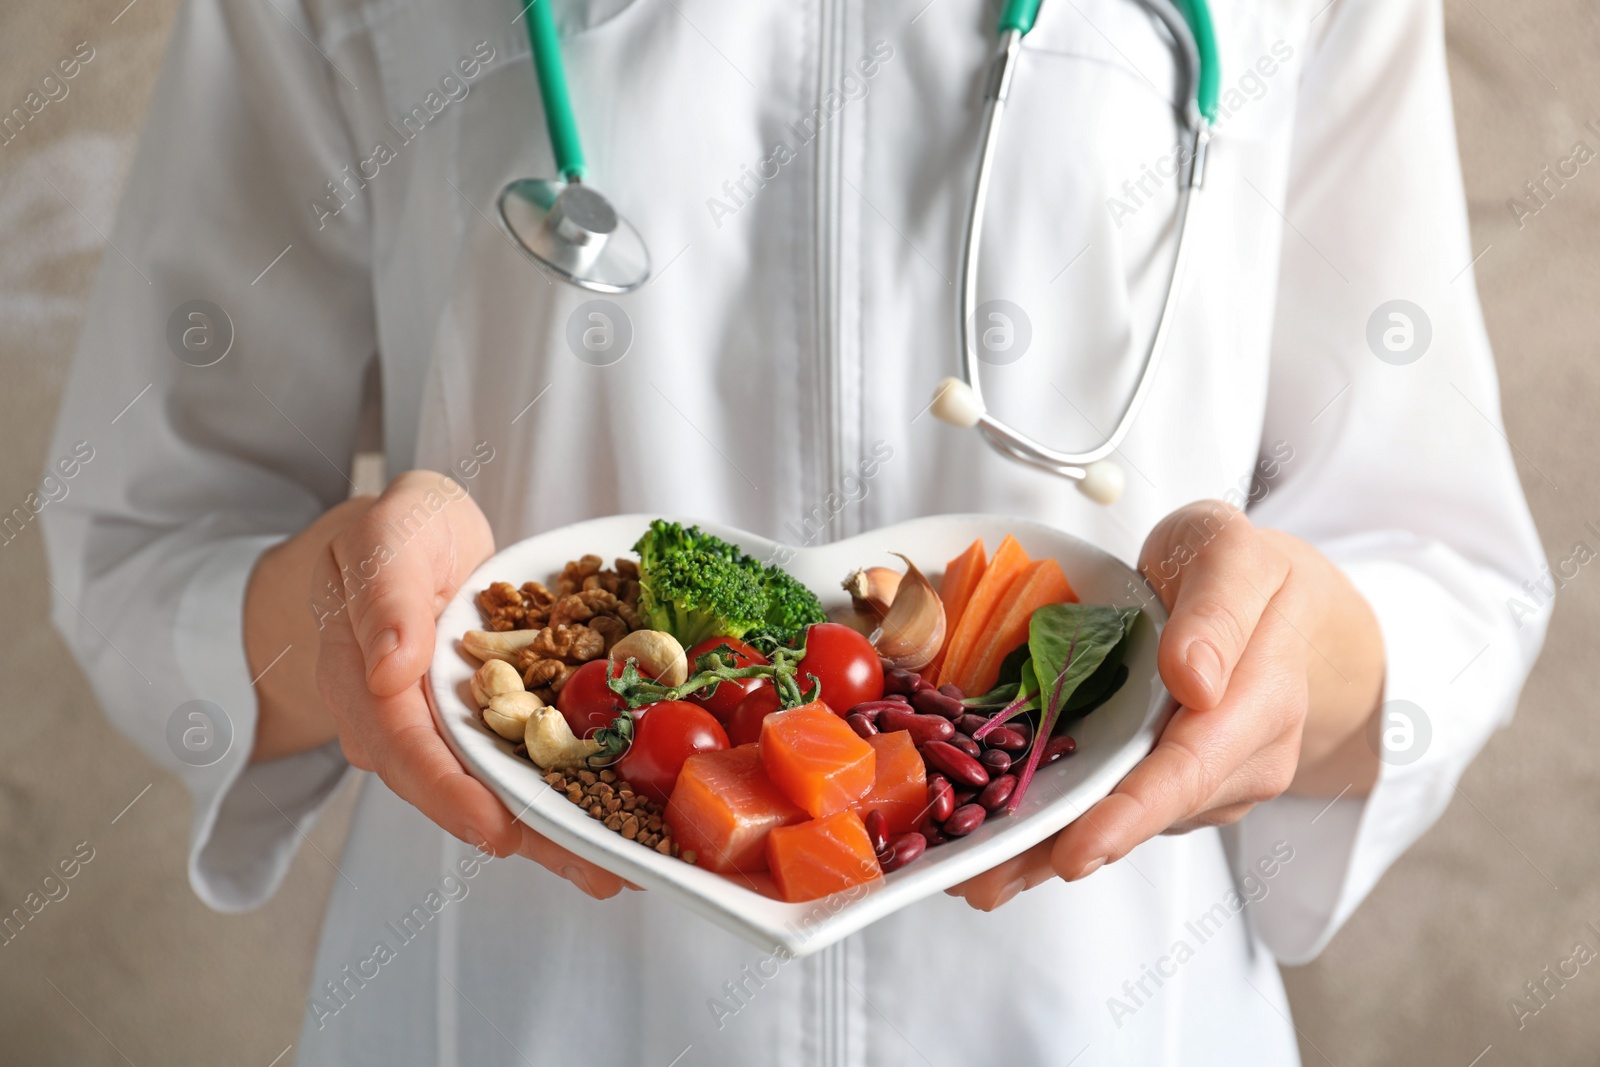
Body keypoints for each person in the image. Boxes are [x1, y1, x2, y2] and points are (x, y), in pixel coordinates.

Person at [44, 0, 1546, 1063]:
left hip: (1097, 1016)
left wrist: (1295, 664)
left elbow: (1433, 549)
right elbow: (154, 522)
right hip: (518, 1017)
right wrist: (354, 624)